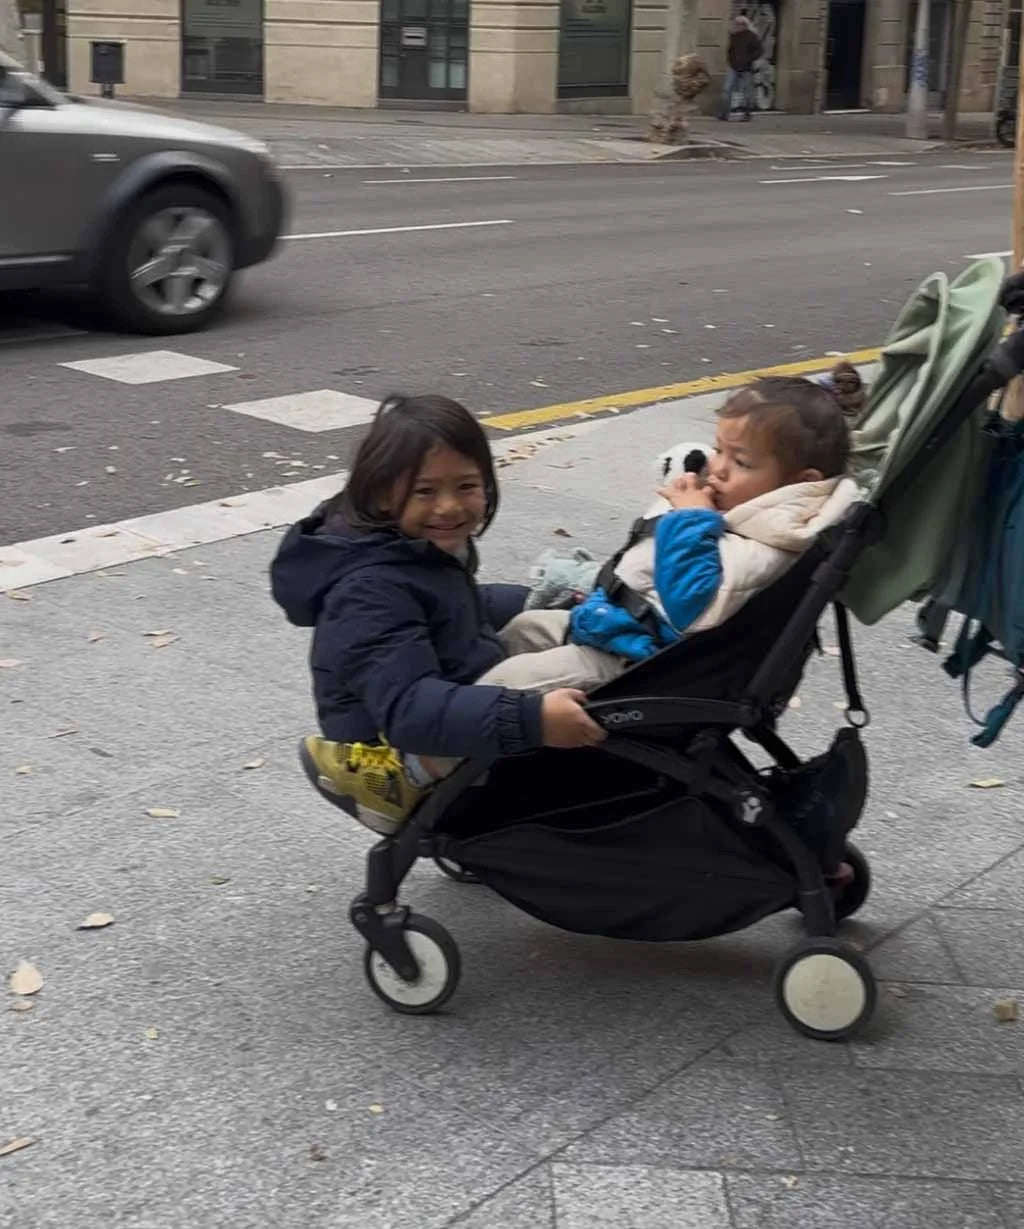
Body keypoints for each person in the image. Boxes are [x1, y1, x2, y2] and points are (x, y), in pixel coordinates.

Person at [270, 394, 605, 836]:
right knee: (581, 666)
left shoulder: (418, 547)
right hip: (400, 745)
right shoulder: (369, 589)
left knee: (547, 625)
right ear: (383, 496)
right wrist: (530, 719)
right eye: (425, 491)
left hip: (444, 692)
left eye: (466, 487)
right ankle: (408, 778)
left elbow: (457, 609)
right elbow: (409, 708)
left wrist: (545, 600)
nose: (449, 507)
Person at [470, 374, 861, 696]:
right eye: (718, 450)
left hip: (639, 665)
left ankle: (424, 768)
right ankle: (448, 702)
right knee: (523, 629)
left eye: (740, 461)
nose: (717, 468)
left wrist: (690, 519)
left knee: (504, 685)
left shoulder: (771, 544)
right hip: (617, 627)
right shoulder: (742, 513)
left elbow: (690, 607)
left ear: (799, 482)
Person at [719, 14, 762, 122]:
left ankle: (747, 114)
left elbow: (759, 51)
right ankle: (724, 114)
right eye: (735, 24)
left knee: (747, 92)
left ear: (743, 25)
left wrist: (748, 59)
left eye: (737, 24)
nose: (734, 26)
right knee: (727, 90)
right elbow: (730, 50)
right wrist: (731, 60)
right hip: (734, 67)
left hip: (746, 68)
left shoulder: (751, 36)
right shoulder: (734, 36)